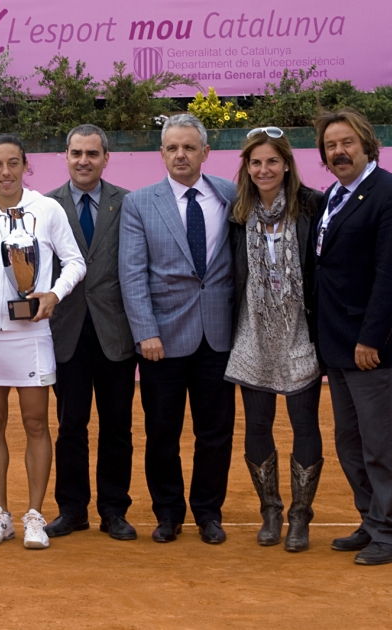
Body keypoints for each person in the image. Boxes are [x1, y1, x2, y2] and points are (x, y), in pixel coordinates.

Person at [0, 134, 85, 549]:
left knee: (34, 424)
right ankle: (0, 514)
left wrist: (53, 294)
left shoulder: (48, 210)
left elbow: (76, 262)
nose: (5, 172)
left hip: (32, 333)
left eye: (13, 163)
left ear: (26, 165)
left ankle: (34, 515)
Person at [310, 108, 392, 566]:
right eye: (331, 146)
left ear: (367, 144)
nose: (338, 151)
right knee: (349, 442)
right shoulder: (334, 196)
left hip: (372, 346)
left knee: (378, 443)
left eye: (347, 142)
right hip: (337, 341)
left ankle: (391, 533)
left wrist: (370, 339)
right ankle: (371, 519)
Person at [119, 114, 236, 545]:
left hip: (219, 335)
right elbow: (132, 274)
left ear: (206, 152)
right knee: (162, 432)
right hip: (161, 342)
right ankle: (167, 513)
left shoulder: (230, 194)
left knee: (215, 432)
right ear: (162, 154)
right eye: (172, 148)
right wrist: (145, 332)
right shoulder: (139, 202)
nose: (181, 155)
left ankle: (209, 513)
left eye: (189, 147)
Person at [224, 127, 324, 551]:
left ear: (286, 164)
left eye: (272, 161)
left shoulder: (313, 205)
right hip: (252, 331)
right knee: (258, 424)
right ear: (246, 167)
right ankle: (271, 510)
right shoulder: (237, 212)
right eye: (256, 162)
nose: (264, 169)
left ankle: (301, 516)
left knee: (304, 423)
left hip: (300, 331)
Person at [43, 125, 138, 541]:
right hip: (65, 333)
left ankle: (114, 509)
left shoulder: (128, 204)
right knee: (70, 425)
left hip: (116, 332)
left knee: (117, 427)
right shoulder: (44, 206)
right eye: (77, 152)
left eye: (93, 153)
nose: (84, 160)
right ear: (65, 156)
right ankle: (72, 508)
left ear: (106, 158)